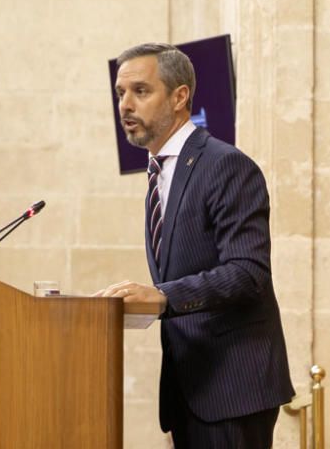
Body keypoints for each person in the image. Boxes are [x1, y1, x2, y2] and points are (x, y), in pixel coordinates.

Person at [97, 43, 294, 448]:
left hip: (233, 389)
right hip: (191, 387)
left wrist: (161, 296)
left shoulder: (224, 165)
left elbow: (248, 272)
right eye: (120, 93)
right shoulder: (158, 173)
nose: (125, 105)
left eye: (140, 91)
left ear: (180, 96)